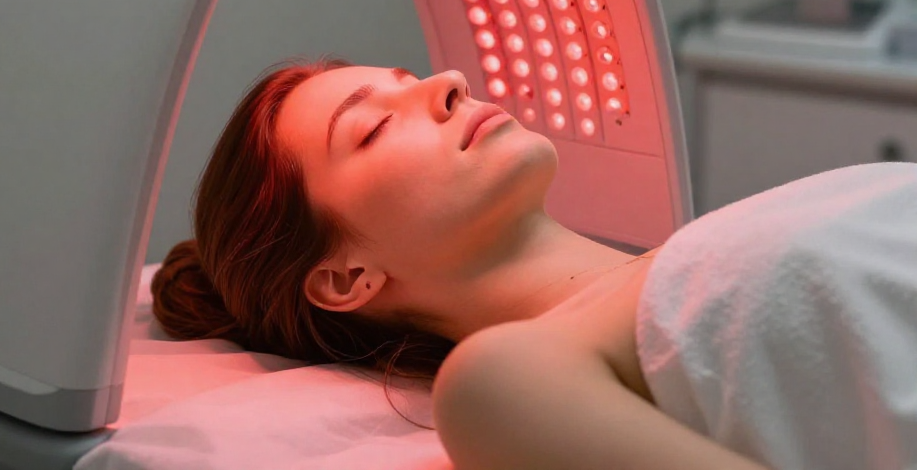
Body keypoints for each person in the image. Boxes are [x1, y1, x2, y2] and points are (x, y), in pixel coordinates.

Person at [152, 57, 822, 469]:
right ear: (345, 278)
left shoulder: (696, 256)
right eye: (374, 128)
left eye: (411, 79)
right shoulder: (499, 384)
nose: (448, 82)